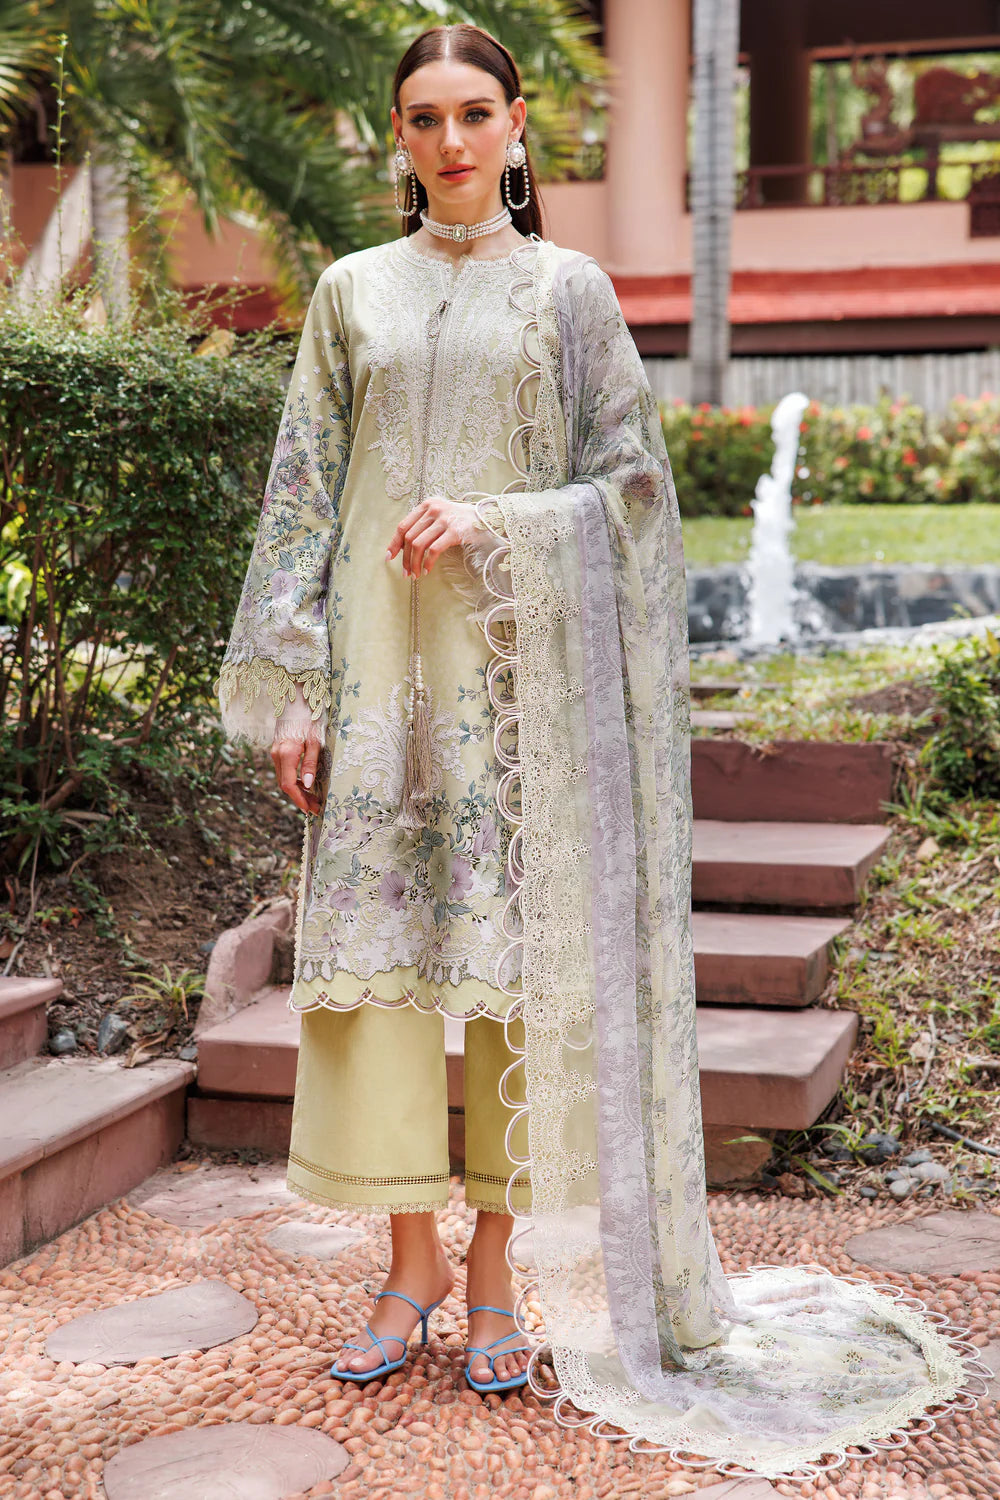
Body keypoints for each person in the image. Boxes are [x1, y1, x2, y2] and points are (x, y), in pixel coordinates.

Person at [218, 21, 985, 1479]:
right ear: (398, 137)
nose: (450, 142)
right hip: (379, 686)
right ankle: (408, 1263)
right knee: (381, 980)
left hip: (523, 701)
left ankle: (495, 1270)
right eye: (424, 118)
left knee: (521, 982)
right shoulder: (348, 291)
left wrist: (497, 524)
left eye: (475, 114)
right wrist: (297, 687)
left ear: (519, 125)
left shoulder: (568, 292)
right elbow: (301, 496)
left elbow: (634, 491)